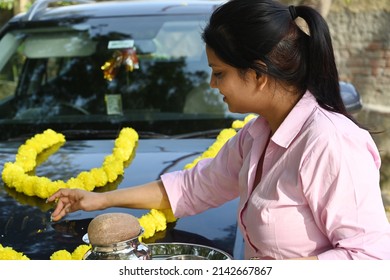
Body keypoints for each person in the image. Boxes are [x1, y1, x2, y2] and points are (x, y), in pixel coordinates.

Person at [48, 0, 390, 260]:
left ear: (257, 74)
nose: (212, 84)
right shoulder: (257, 135)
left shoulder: (330, 142)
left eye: (219, 72)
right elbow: (192, 188)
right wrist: (99, 199)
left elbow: (369, 258)